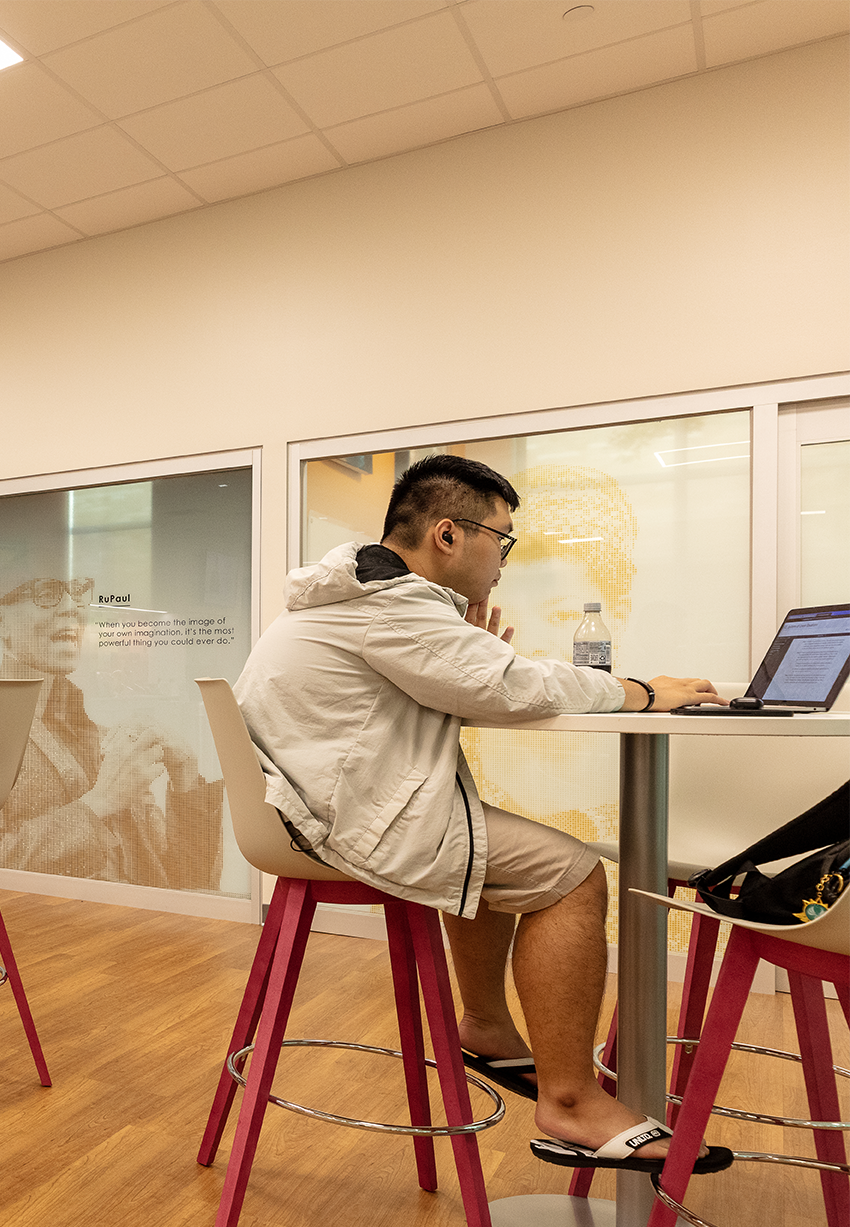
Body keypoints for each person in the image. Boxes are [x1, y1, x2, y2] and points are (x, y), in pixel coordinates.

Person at [236, 454, 727, 1171]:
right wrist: (640, 690)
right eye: (502, 538)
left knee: (481, 839)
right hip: (333, 819)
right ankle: (568, 1100)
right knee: (570, 874)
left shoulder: (360, 593)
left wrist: (473, 664)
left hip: (302, 808)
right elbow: (516, 689)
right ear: (447, 535)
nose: (503, 558)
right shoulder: (391, 605)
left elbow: (470, 687)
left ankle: (489, 1025)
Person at [0, 576, 224, 890]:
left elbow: (187, 881)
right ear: (1, 622)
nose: (71, 607)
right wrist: (101, 802)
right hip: (50, 931)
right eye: (47, 595)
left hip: (139, 927)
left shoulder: (100, 734)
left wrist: (186, 775)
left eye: (78, 593)